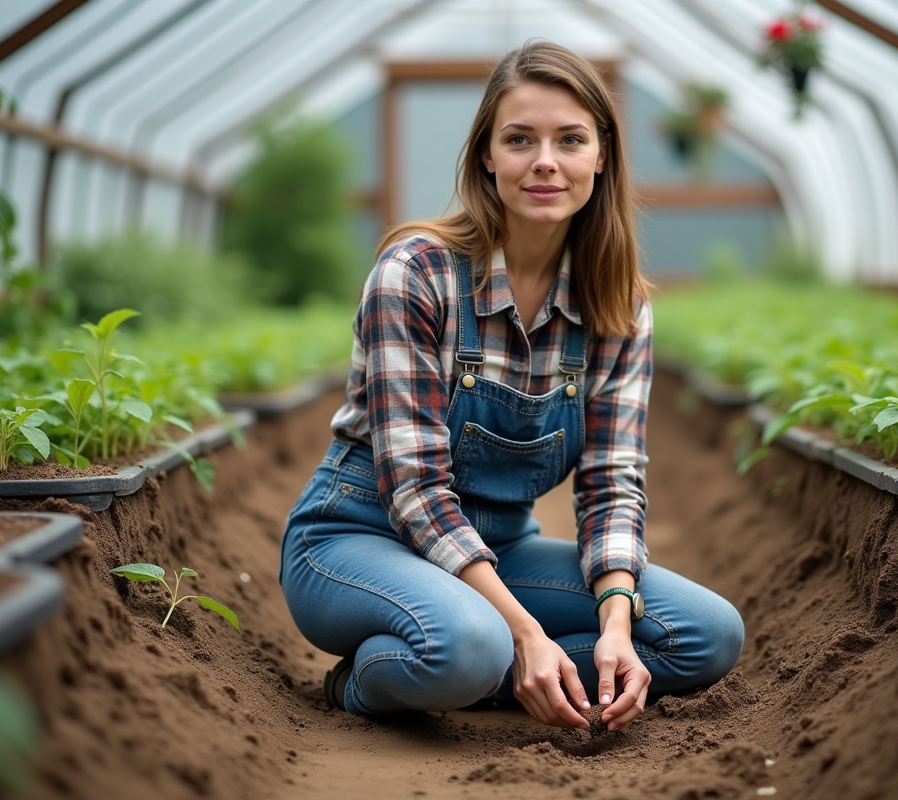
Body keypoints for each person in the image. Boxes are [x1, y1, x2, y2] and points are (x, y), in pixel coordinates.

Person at [279, 40, 744, 732]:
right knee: (472, 642)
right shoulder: (417, 274)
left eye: (570, 139)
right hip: (360, 536)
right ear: (487, 157)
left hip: (498, 549)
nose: (546, 162)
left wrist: (616, 621)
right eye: (520, 139)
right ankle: (367, 681)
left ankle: (474, 672)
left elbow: (613, 481)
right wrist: (525, 632)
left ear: (602, 156)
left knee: (705, 634)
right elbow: (413, 487)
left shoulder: (616, 304)